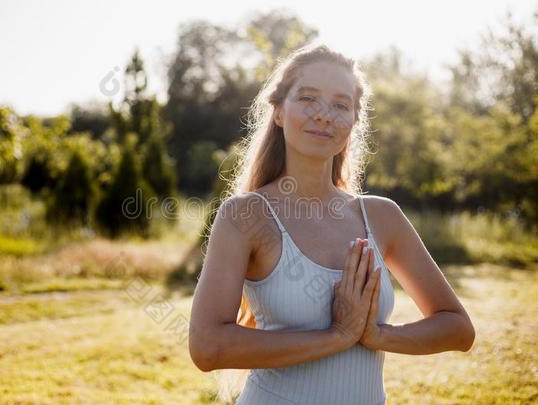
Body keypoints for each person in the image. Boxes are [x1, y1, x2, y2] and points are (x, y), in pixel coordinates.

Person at [188, 42, 475, 405]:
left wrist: (376, 335)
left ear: (354, 121)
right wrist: (337, 335)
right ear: (278, 112)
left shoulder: (382, 216)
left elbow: (458, 328)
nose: (324, 114)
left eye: (341, 104)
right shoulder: (244, 216)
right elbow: (208, 347)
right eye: (308, 98)